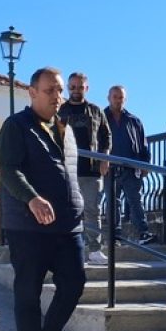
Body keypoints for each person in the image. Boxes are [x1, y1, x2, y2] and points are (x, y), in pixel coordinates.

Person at [0, 67, 86, 331]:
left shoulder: (66, 129)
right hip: (28, 227)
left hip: (67, 225)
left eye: (59, 90)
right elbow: (9, 170)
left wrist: (79, 205)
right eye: (50, 90)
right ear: (32, 92)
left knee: (74, 283)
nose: (57, 97)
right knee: (28, 293)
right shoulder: (16, 126)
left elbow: (69, 175)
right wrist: (32, 198)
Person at [59, 71, 111, 265]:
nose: (76, 90)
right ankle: (68, 251)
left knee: (92, 210)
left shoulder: (96, 111)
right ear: (68, 88)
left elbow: (106, 135)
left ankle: (95, 250)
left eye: (80, 87)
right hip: (66, 169)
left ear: (86, 88)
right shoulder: (60, 110)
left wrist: (105, 157)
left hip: (91, 170)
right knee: (67, 210)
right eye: (72, 87)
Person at [103, 85, 155, 245]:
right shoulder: (101, 118)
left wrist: (145, 164)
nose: (118, 100)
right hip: (109, 168)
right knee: (113, 203)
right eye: (115, 97)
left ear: (125, 99)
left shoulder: (133, 120)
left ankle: (143, 233)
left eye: (121, 97)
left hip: (131, 167)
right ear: (109, 98)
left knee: (135, 200)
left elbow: (143, 144)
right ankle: (115, 237)